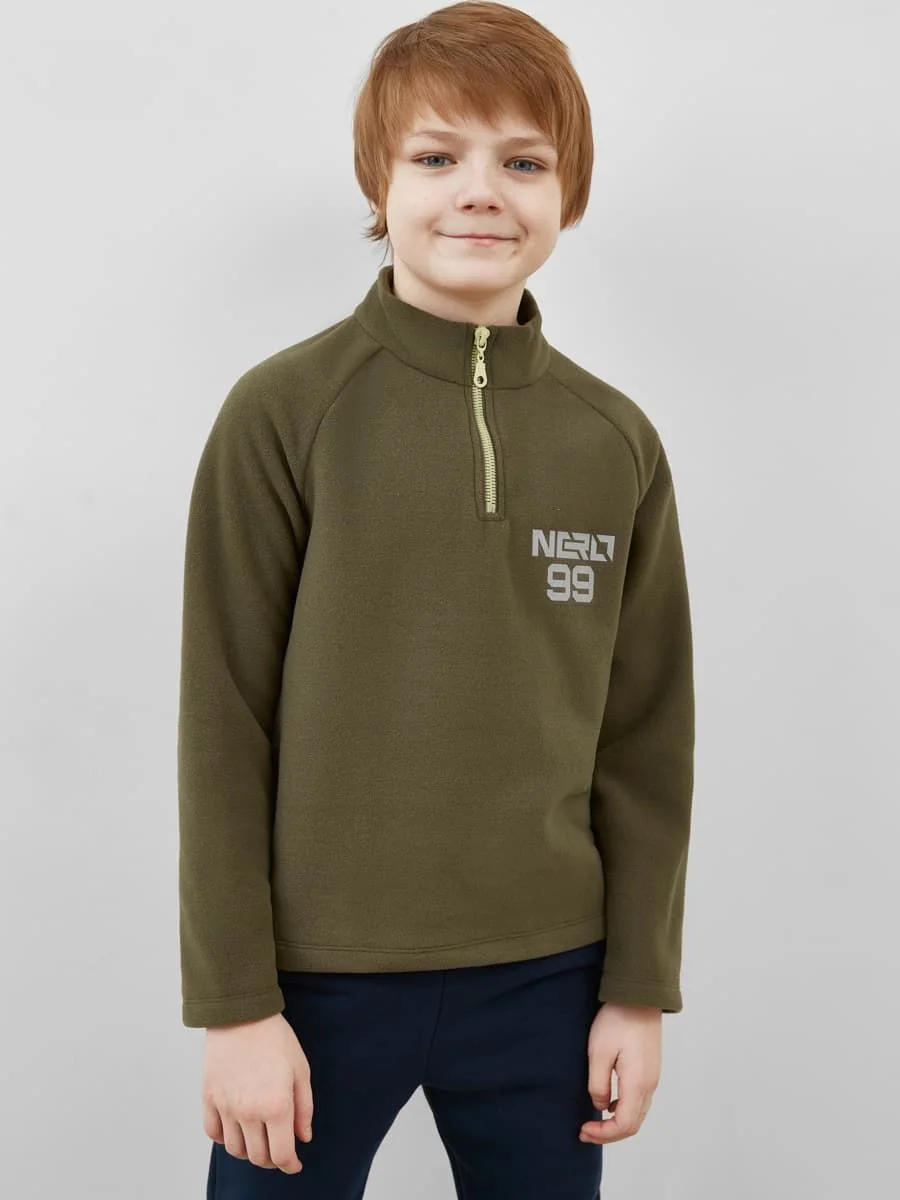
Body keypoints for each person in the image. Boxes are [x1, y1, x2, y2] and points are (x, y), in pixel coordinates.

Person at [177, 2, 695, 1196]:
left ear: (568, 192)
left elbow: (646, 737)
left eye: (523, 163)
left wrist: (637, 987)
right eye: (436, 157)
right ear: (380, 179)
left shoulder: (615, 440)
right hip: (315, 985)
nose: (480, 194)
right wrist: (237, 1006)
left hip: (550, 979)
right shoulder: (286, 412)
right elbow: (222, 724)